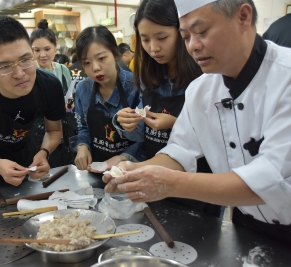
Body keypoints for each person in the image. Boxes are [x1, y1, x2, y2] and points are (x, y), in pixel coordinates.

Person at [104, 0, 291, 244]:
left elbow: (271, 176)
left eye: (201, 32)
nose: (193, 46)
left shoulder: (285, 76)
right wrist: (135, 172)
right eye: (185, 36)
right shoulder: (201, 89)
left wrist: (171, 183)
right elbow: (180, 151)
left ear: (243, 17)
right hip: (246, 225)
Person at [113, 0, 220, 217]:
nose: (153, 48)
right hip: (156, 185)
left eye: (162, 37)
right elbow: (143, 136)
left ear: (182, 32)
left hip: (199, 191)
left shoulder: (205, 78)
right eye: (145, 40)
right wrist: (126, 122)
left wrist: (175, 123)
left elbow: (216, 140)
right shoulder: (150, 78)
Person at [0, 16, 65, 186]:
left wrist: (44, 152)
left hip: (27, 167)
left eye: (25, 60)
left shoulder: (49, 86)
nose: (20, 73)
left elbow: (54, 131)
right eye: (5, 66)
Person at [71, 25, 144, 172]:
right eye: (87, 63)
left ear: (115, 54)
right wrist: (82, 146)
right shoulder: (82, 89)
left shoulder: (138, 87)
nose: (96, 67)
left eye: (101, 58)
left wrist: (124, 157)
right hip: (97, 170)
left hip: (131, 170)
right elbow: (83, 127)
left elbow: (148, 136)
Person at [30, 19, 76, 168]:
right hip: (40, 134)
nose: (42, 54)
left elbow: (70, 97)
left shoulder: (63, 70)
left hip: (63, 129)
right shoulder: (29, 74)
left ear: (55, 47)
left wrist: (69, 104)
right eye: (37, 50)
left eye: (47, 49)